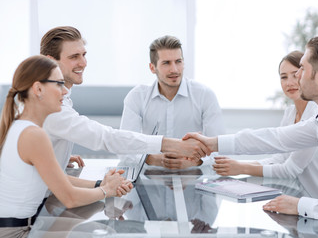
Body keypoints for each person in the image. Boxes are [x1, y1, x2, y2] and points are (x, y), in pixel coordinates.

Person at [184, 36, 318, 224]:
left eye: (302, 68)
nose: (297, 76)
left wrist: (300, 204)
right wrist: (213, 143)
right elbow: (277, 138)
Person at [40, 26, 209, 180]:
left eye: (84, 55)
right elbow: (106, 137)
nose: (83, 63)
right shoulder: (52, 107)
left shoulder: (60, 98)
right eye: (74, 57)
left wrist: (56, 158)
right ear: (51, 61)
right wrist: (173, 145)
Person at [0, 56, 133, 238]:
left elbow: (56, 180)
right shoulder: (34, 135)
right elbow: (69, 198)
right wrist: (106, 190)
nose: (64, 92)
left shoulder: (18, 126)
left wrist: (100, 184)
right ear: (38, 89)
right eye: (58, 84)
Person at [213, 51, 318, 198]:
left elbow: (290, 169)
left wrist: (241, 167)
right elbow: (278, 159)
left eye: (295, 74)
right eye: (283, 77)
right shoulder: (290, 113)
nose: (290, 82)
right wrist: (236, 164)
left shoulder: (316, 114)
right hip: (298, 198)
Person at [119, 35, 225, 169]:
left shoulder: (204, 95)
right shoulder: (137, 97)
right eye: (166, 63)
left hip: (193, 178)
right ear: (152, 68)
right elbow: (123, 147)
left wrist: (196, 161)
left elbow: (220, 149)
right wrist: (151, 159)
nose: (174, 69)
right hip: (150, 178)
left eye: (178, 61)